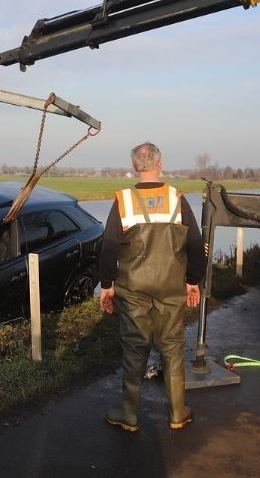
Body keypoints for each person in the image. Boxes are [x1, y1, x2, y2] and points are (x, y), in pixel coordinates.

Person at [99, 142, 204, 432]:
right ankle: (178, 413)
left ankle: (129, 415)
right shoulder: (176, 198)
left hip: (134, 288)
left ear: (135, 166)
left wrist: (107, 285)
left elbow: (108, 246)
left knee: (134, 347)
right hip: (172, 287)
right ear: (160, 163)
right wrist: (193, 281)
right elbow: (195, 244)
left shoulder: (123, 201)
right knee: (172, 347)